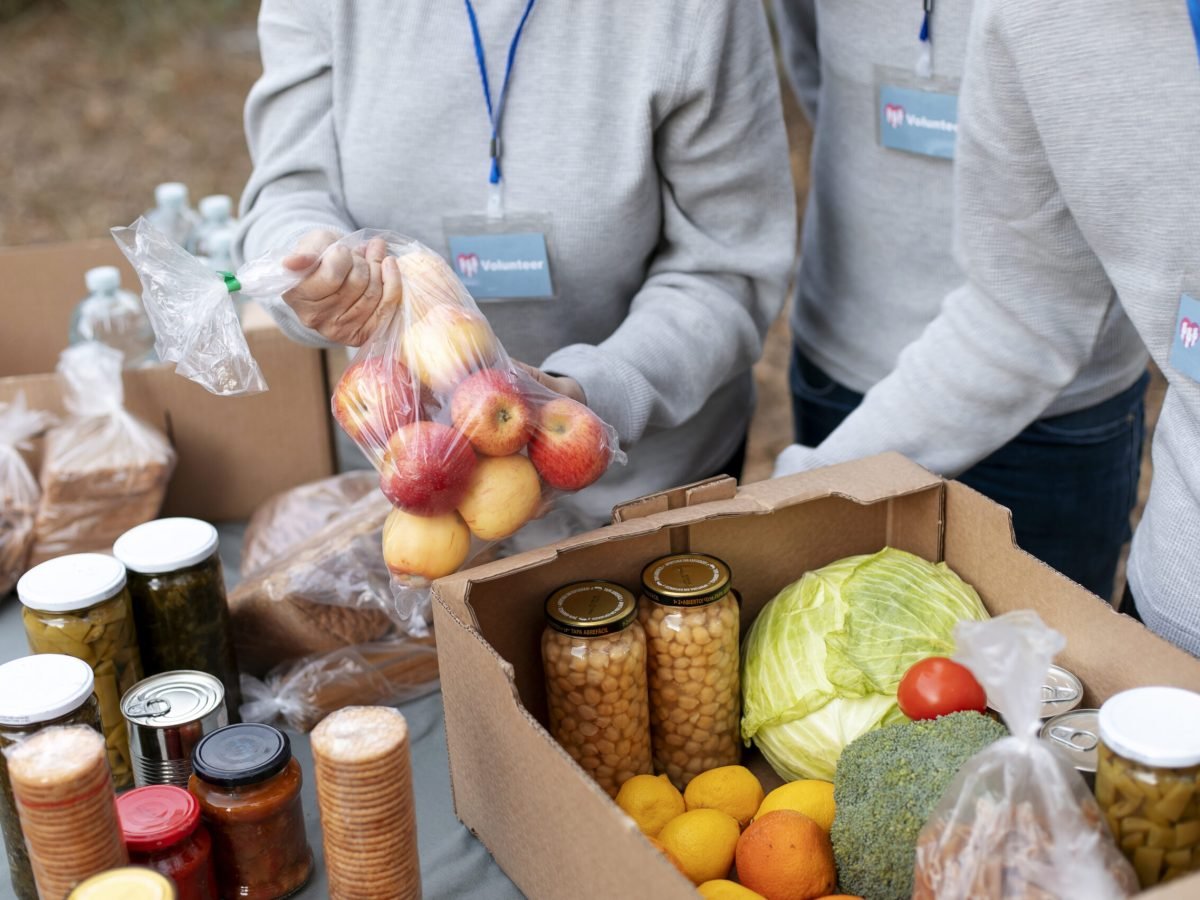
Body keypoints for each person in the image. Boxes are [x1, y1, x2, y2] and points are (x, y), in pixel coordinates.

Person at [234, 0, 796, 529]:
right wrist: (306, 268)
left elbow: (726, 268)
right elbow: (288, 188)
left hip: (648, 486)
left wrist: (591, 394)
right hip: (422, 474)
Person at [774, 0, 1200, 657]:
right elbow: (1025, 307)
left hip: (1071, 433)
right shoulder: (1057, 18)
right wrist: (804, 490)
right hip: (1174, 621)